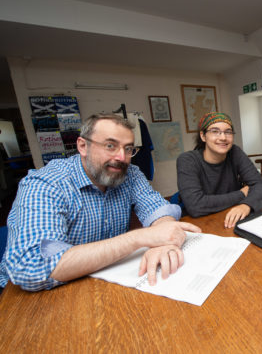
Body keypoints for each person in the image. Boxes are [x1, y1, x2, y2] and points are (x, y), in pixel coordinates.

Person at [0, 114, 200, 292]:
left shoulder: (130, 173)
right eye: (110, 146)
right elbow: (32, 268)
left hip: (103, 280)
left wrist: (162, 238)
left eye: (128, 148)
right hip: (33, 299)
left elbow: (158, 209)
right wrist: (140, 238)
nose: (121, 157)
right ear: (82, 146)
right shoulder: (46, 183)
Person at [176, 112, 262, 228]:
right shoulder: (187, 160)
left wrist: (246, 205)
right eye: (215, 131)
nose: (223, 137)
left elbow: (260, 184)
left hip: (231, 216)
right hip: (201, 223)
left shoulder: (235, 152)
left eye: (228, 132)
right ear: (203, 136)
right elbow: (195, 205)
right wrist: (241, 194)